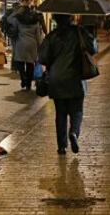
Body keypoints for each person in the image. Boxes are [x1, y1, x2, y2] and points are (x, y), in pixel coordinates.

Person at [39, 14, 97, 155]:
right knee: (76, 111)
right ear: (71, 18)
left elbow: (43, 57)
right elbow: (93, 49)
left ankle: (62, 146)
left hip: (57, 79)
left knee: (60, 113)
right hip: (75, 77)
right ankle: (74, 133)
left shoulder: (52, 36)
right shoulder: (79, 32)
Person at [8, 0, 43, 90]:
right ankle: (28, 84)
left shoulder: (19, 20)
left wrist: (16, 12)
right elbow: (38, 37)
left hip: (21, 43)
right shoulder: (35, 21)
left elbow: (9, 20)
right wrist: (40, 46)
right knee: (30, 64)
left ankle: (23, 77)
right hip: (32, 45)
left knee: (20, 62)